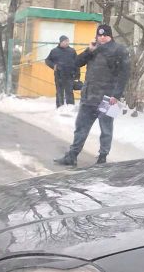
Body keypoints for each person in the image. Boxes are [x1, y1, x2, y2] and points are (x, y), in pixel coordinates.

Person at [54, 24, 131, 167]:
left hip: (108, 98)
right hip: (89, 96)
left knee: (106, 129)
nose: (101, 37)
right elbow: (77, 63)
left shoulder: (119, 50)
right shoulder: (93, 49)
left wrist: (117, 95)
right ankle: (72, 156)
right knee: (80, 127)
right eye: (99, 35)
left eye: (105, 35)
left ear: (110, 36)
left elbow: (124, 74)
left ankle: (102, 158)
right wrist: (89, 51)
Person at [45, 35, 80, 108]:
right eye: (65, 41)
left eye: (68, 41)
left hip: (70, 75)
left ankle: (70, 107)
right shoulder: (54, 51)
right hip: (59, 75)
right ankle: (59, 107)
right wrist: (53, 65)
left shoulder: (72, 51)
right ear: (61, 42)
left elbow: (77, 63)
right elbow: (47, 60)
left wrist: (77, 75)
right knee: (59, 92)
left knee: (69, 92)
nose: (67, 43)